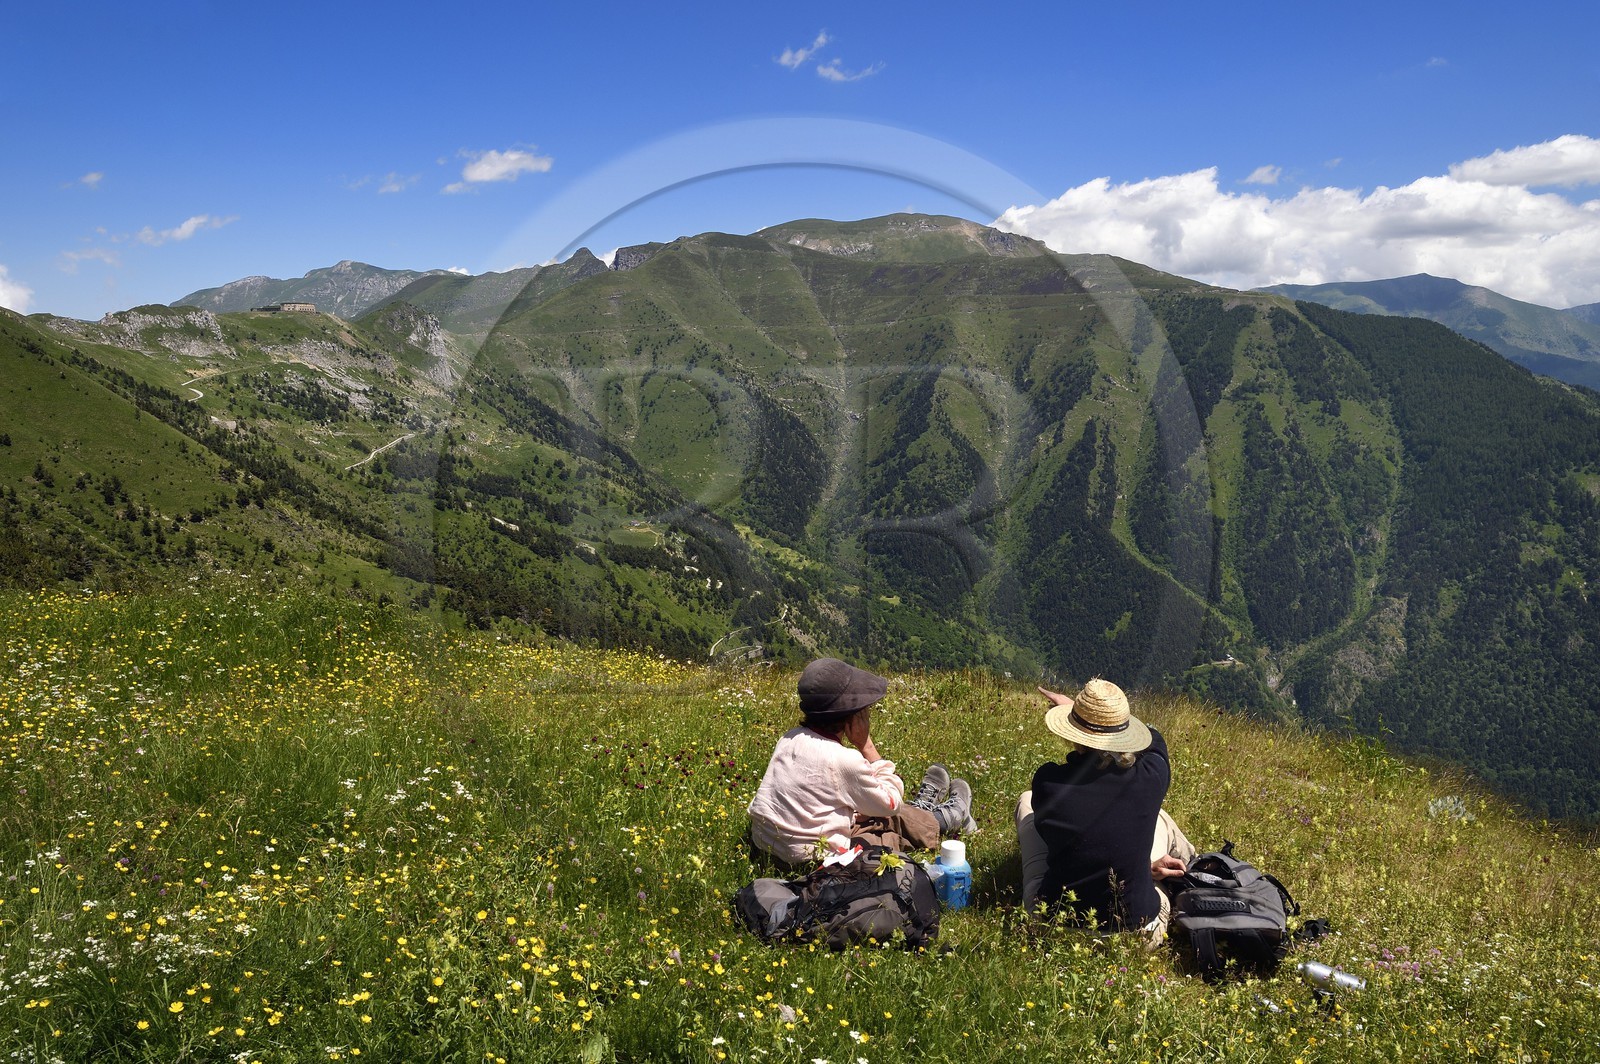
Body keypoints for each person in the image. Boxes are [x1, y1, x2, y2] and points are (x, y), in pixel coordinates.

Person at [1014, 678, 1195, 947]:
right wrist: (1113, 719)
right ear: (1125, 733)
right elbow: (1155, 738)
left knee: (1027, 802)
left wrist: (1078, 712)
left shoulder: (1049, 782)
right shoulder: (1151, 777)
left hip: (1055, 932)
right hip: (1138, 936)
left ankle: (1153, 868)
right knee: (1159, 817)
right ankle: (1193, 868)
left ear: (1072, 734)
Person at [747, 657, 975, 867]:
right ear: (852, 717)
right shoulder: (843, 760)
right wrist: (866, 744)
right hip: (815, 861)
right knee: (883, 826)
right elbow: (892, 803)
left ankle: (928, 811)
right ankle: (944, 820)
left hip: (770, 849)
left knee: (868, 810)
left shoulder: (788, 738)